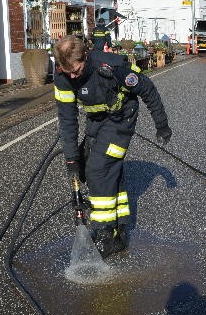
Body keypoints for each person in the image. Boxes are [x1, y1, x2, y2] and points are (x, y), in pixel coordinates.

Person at [53, 35, 172, 258]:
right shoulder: (63, 76)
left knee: (99, 169)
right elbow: (67, 120)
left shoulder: (111, 67)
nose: (72, 77)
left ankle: (106, 234)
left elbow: (147, 89)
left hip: (121, 116)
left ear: (86, 58)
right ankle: (119, 223)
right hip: (96, 119)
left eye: (77, 71)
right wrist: (71, 160)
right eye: (67, 72)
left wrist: (162, 125)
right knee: (89, 165)